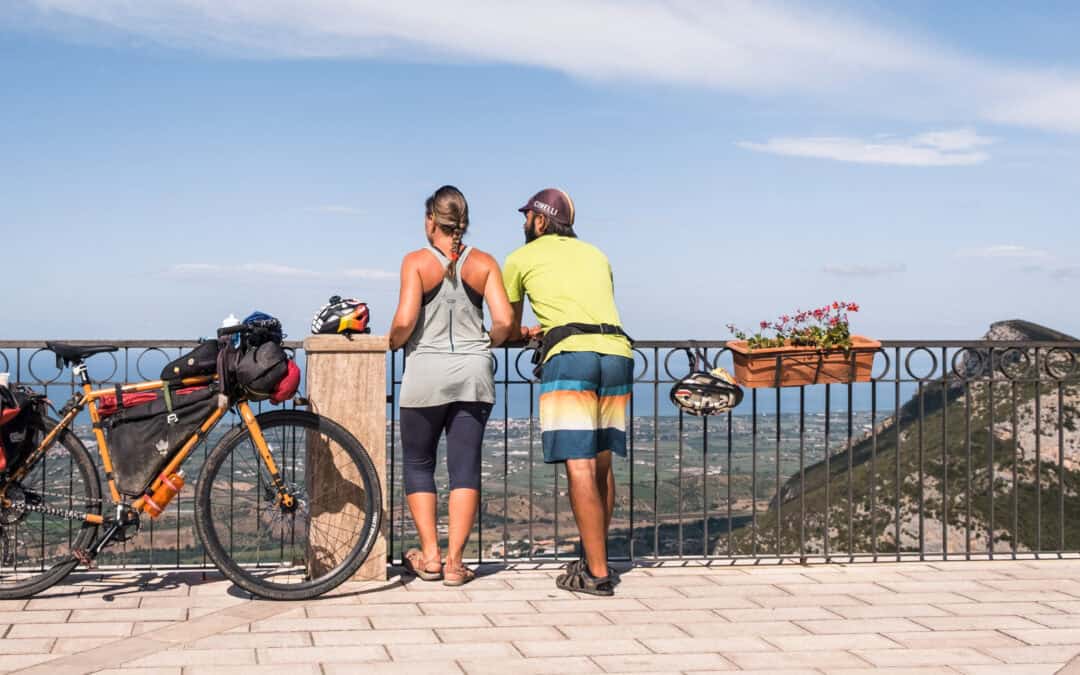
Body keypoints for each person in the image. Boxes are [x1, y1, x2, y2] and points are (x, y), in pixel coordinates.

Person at [502, 188, 633, 596]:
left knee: (578, 466)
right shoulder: (597, 254)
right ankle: (595, 557)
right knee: (602, 465)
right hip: (617, 352)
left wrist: (522, 334)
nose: (524, 223)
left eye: (527, 217)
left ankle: (596, 574)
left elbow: (507, 325)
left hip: (571, 356)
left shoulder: (520, 258)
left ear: (540, 221)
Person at [389, 185, 514, 586]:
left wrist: (391, 342)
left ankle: (429, 557)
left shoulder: (415, 262)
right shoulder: (485, 264)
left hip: (425, 372)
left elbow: (406, 320)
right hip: (473, 375)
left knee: (418, 463)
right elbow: (505, 321)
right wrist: (484, 343)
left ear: (431, 221)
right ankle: (456, 564)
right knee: (465, 468)